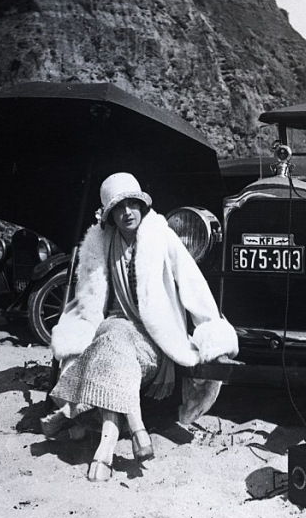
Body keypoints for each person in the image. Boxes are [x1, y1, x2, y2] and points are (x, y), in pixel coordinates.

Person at [42, 172, 238, 481]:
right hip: (109, 336)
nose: (127, 213)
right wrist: (76, 330)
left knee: (113, 339)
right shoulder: (99, 246)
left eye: (133, 204)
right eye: (119, 208)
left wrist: (210, 332)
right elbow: (87, 302)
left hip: (152, 340)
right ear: (109, 215)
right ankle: (127, 434)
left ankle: (120, 434)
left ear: (141, 206)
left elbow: (193, 284)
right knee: (112, 336)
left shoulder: (161, 237)